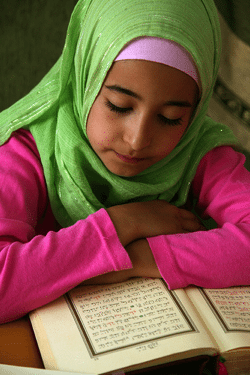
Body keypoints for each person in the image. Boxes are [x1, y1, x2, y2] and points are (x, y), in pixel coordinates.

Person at [0, 0, 249, 325]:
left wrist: (136, 259)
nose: (137, 139)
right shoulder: (25, 152)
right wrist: (123, 223)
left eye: (170, 118)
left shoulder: (198, 150)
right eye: (118, 106)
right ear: (85, 79)